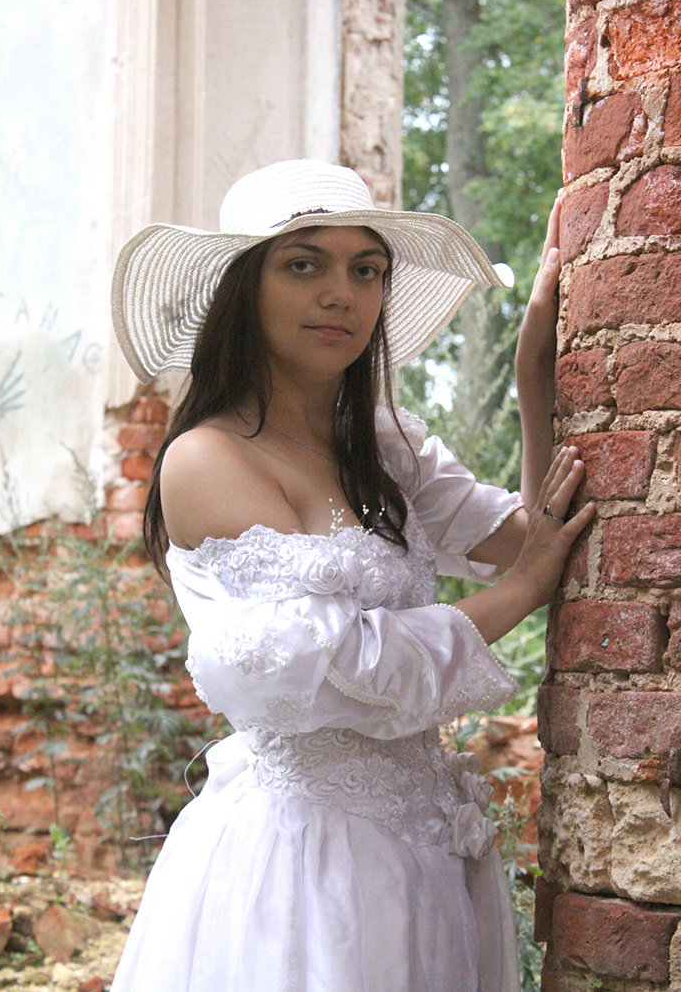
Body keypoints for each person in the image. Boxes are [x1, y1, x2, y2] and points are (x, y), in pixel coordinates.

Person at [109, 160, 593, 992]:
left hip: (424, 858)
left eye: (366, 269)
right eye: (304, 264)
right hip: (304, 872)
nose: (342, 294)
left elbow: (530, 539)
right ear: (243, 288)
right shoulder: (207, 458)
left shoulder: (383, 448)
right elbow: (332, 668)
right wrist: (519, 595)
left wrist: (535, 379)